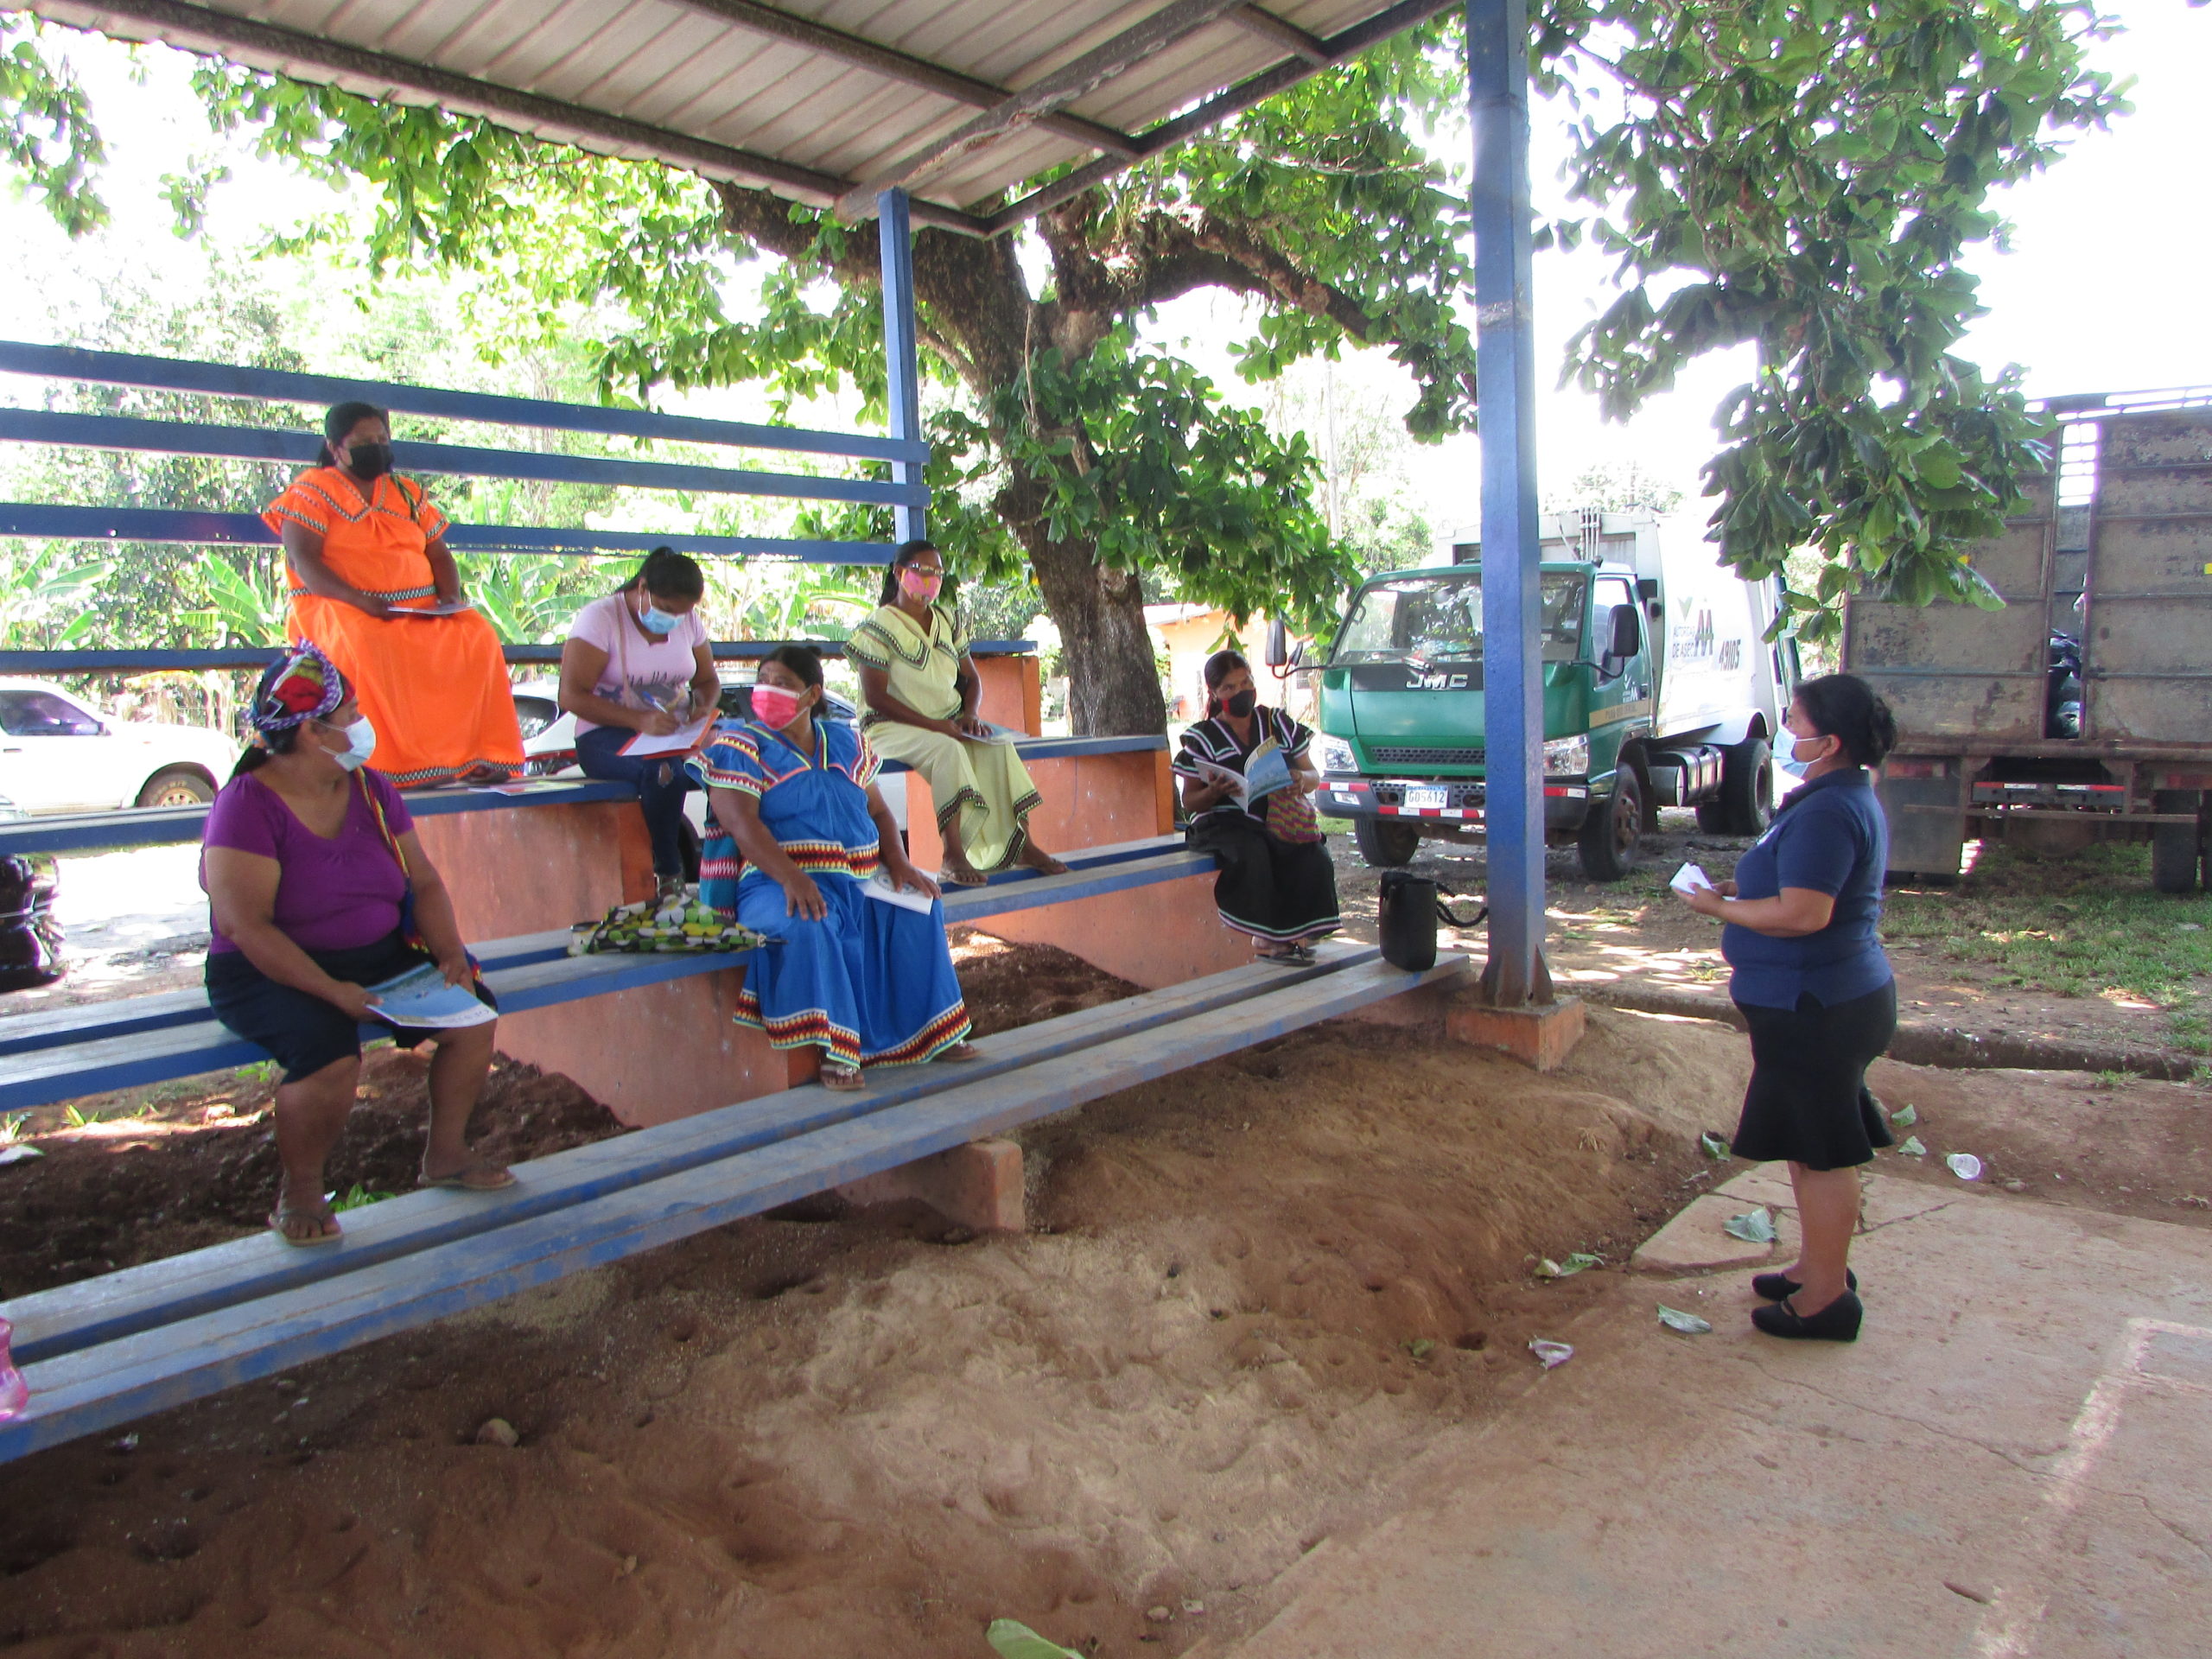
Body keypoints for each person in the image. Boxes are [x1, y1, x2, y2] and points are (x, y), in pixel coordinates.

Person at [200, 645, 510, 1247]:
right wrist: (331, 991)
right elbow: (245, 926)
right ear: (314, 732)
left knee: (474, 1014)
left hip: (376, 955)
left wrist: (450, 954)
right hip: (267, 970)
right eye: (353, 713)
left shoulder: (370, 787)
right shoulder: (245, 805)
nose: (363, 723)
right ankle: (302, 1191)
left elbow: (421, 878)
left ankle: (445, 1156)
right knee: (329, 1052)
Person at [1678, 673, 1898, 1343]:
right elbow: (1792, 881)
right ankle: (1815, 1266)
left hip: (1819, 1006)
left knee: (1825, 1151)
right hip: (1821, 1001)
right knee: (1811, 1144)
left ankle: (1827, 1300)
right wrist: (1741, 888)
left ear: (1829, 742)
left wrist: (1718, 908)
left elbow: (1805, 913)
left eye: (1796, 724)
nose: (1786, 733)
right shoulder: (1834, 798)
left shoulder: (1831, 811)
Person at [689, 645, 976, 1091]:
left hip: (859, 878)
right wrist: (792, 877)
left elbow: (880, 812)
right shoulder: (738, 745)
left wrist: (899, 863)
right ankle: (836, 1049)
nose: (767, 690)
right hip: (774, 880)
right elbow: (741, 824)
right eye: (763, 680)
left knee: (919, 905)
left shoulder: (844, 740)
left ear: (811, 694)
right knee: (809, 922)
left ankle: (928, 1035)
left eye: (781, 683)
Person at [263, 401, 524, 788]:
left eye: (382, 439)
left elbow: (438, 554)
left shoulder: (405, 491)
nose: (377, 446)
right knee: (368, 643)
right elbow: (305, 563)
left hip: (417, 610)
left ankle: (478, 758)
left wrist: (449, 599)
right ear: (335, 448)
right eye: (364, 441)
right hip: (339, 606)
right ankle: (395, 767)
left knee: (478, 637)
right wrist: (363, 602)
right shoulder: (311, 491)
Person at [849, 540, 1065, 886]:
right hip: (890, 726)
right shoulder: (875, 627)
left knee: (999, 748)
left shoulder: (948, 619)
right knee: (947, 749)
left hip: (946, 722)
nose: (931, 580)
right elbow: (875, 697)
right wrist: (937, 726)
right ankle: (953, 854)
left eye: (937, 573)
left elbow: (971, 678)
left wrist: (970, 714)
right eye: (922, 571)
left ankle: (1022, 844)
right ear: (900, 573)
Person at [559, 546, 721, 903]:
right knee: (663, 770)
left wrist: (701, 709)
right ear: (643, 588)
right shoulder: (601, 618)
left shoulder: (689, 622)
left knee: (732, 758)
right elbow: (571, 696)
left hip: (675, 733)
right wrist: (637, 720)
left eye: (683, 612)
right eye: (666, 608)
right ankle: (669, 871)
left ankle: (724, 862)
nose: (674, 618)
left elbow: (709, 682)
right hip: (607, 736)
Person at [1173, 649, 1341, 963]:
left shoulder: (1277, 722)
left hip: (1275, 814)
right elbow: (1190, 802)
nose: (1241, 692)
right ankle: (1266, 938)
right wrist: (1214, 792)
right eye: (1230, 688)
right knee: (1254, 850)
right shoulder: (1202, 737)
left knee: (1312, 852)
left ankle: (1297, 932)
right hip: (1223, 822)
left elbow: (1313, 774)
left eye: (1245, 682)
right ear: (1214, 693)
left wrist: (1299, 778)